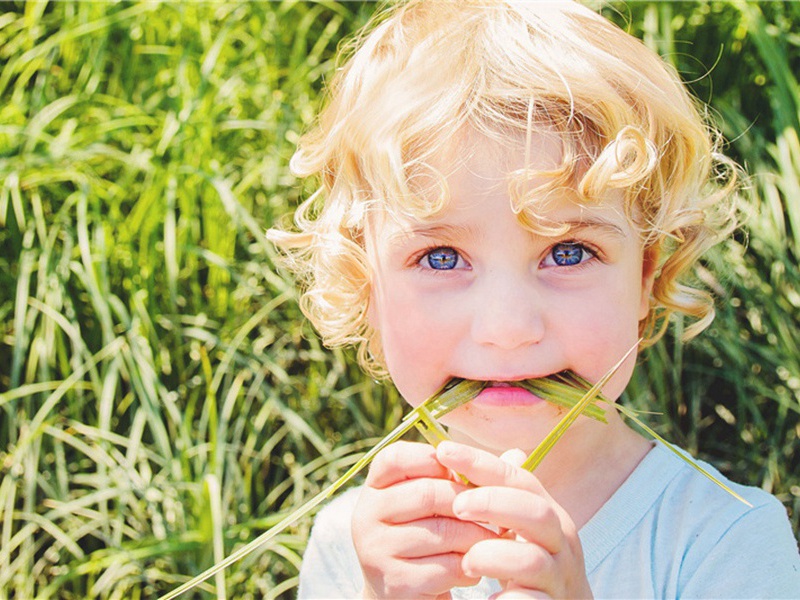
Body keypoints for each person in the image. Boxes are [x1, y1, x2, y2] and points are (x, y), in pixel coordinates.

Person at [269, 1, 800, 597]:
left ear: (647, 278)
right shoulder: (356, 546)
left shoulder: (725, 542)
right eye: (441, 258)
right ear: (369, 288)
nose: (508, 327)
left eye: (568, 253)